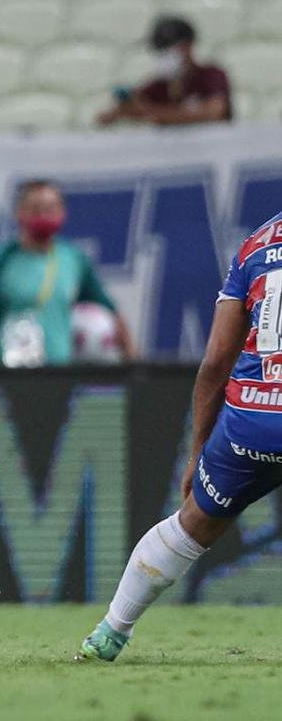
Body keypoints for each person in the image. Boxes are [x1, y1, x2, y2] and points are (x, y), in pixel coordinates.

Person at [77, 211, 282, 661]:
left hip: (253, 419)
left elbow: (214, 364)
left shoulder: (255, 245)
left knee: (192, 525)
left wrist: (197, 452)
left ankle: (110, 633)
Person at [0, 179, 134, 367]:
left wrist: (133, 364)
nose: (43, 215)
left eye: (51, 208)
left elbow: (109, 309)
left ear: (62, 213)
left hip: (58, 375)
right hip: (8, 375)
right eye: (36, 209)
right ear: (19, 212)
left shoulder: (73, 259)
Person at [98, 15, 233, 128]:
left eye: (169, 48)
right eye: (159, 50)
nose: (163, 55)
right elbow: (108, 116)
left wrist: (150, 112)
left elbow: (214, 112)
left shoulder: (212, 75)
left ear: (188, 47)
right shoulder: (158, 85)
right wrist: (125, 106)